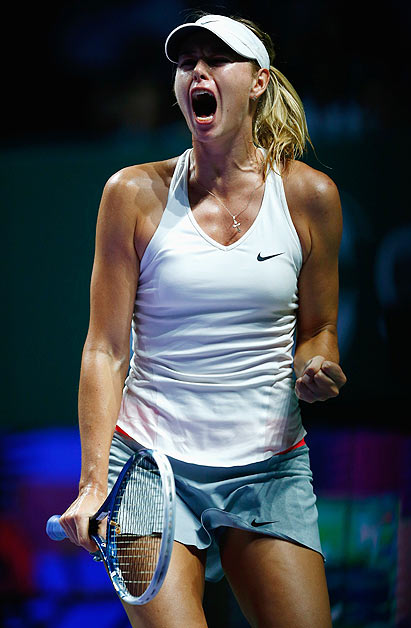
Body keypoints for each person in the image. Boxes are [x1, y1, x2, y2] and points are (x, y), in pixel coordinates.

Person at [60, 13, 347, 628]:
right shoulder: (132, 193)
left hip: (269, 466)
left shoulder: (310, 197)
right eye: (187, 61)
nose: (197, 71)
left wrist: (317, 363)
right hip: (148, 468)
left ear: (260, 82)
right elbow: (104, 351)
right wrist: (91, 483)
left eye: (216, 60)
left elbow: (319, 329)